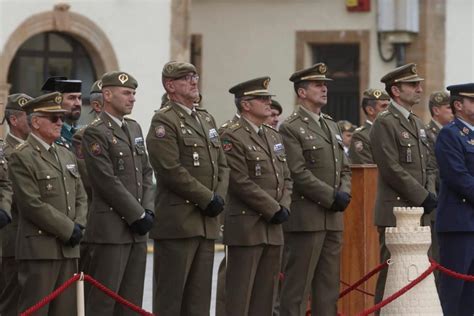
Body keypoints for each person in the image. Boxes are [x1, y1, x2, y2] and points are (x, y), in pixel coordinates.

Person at [146, 61, 229, 316]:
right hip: (179, 222)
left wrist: (219, 197)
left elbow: (222, 165)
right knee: (172, 299)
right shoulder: (164, 121)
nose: (194, 81)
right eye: (185, 78)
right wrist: (207, 198)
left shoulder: (205, 118)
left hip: (206, 222)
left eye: (194, 76)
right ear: (170, 86)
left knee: (198, 301)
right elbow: (170, 170)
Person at [278, 63, 352, 316]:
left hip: (333, 218)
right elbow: (297, 173)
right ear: (302, 92)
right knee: (297, 289)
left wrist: (345, 191)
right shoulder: (291, 127)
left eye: (325, 85)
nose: (324, 89)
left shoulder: (331, 125)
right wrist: (332, 196)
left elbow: (345, 167)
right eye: (318, 85)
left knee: (328, 288)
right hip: (306, 218)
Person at [81, 71, 154, 315]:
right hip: (111, 229)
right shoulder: (96, 131)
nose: (132, 98)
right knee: (103, 302)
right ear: (107, 95)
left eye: (134, 93)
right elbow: (105, 181)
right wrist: (138, 214)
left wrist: (148, 210)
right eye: (126, 93)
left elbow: (146, 172)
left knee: (130, 303)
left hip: (137, 231)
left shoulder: (134, 128)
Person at [8, 92, 87, 315]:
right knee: (37, 311)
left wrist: (80, 225)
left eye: (61, 118)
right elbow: (31, 203)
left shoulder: (65, 154)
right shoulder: (22, 156)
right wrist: (68, 228)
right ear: (35, 121)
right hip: (40, 249)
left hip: (69, 249)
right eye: (54, 118)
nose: (60, 123)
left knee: (66, 311)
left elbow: (80, 195)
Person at [219, 76, 292, 316]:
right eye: (262, 99)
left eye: (268, 98)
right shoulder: (231, 135)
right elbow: (239, 181)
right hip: (247, 226)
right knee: (240, 297)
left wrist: (284, 206)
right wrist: (274, 208)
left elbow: (286, 178)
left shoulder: (272, 135)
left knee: (265, 298)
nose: (268, 103)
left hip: (273, 228)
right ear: (245, 104)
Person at [370, 63, 437, 308]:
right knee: (392, 276)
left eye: (418, 84)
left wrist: (430, 192)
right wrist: (422, 195)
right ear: (396, 91)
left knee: (418, 273)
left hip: (419, 210)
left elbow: (429, 164)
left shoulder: (417, 123)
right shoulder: (385, 122)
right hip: (396, 211)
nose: (419, 89)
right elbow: (391, 168)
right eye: (413, 85)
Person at [435, 83, 474, 316]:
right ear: (458, 105)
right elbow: (457, 176)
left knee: (471, 294)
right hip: (458, 223)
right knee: (454, 291)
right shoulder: (449, 134)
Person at [0, 93, 31, 316]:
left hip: (33, 239)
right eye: (28, 115)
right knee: (11, 301)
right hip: (12, 238)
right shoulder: (6, 153)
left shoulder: (34, 151)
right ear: (14, 120)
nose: (34, 120)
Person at [71, 80, 103, 273]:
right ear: (97, 105)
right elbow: (92, 181)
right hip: (97, 221)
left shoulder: (131, 131)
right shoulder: (83, 136)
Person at [425, 91, 453, 275]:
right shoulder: (428, 134)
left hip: (451, 203)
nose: (452, 111)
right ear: (436, 110)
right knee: (436, 257)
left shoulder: (452, 133)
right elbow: (432, 169)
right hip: (439, 201)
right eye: (448, 108)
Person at [349, 89, 390, 164]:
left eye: (389, 106)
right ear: (370, 110)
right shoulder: (361, 135)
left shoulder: (392, 131)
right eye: (383, 106)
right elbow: (367, 170)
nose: (388, 110)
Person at [41, 76, 83, 150]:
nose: (78, 103)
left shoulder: (79, 133)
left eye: (79, 98)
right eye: (72, 98)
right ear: (58, 102)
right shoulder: (52, 134)